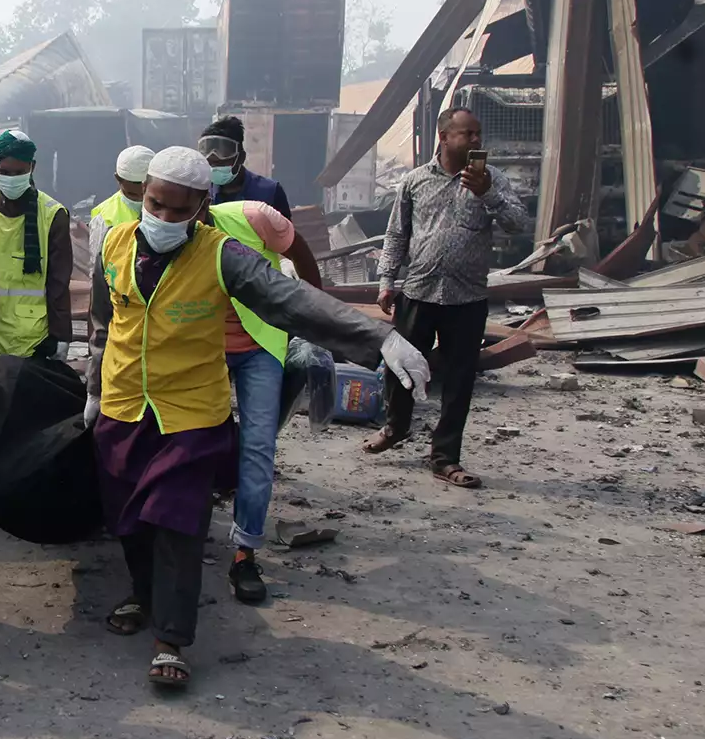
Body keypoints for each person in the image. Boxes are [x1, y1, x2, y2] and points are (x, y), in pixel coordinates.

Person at [87, 146, 429, 690]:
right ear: (143, 195)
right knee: (127, 513)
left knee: (177, 517)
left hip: (191, 411)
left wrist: (378, 336)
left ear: (201, 206)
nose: (163, 217)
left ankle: (170, 638)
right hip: (124, 405)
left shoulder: (223, 255)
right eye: (155, 204)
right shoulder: (113, 242)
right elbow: (105, 320)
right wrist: (93, 386)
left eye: (178, 210)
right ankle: (143, 593)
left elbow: (290, 299)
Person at [367, 106, 529, 488]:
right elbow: (397, 235)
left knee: (458, 381)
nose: (476, 140)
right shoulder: (415, 181)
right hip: (419, 290)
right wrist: (386, 280)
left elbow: (519, 224)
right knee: (399, 366)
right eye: (467, 134)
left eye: (477, 133)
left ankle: (445, 458)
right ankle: (396, 426)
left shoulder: (493, 181)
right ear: (444, 137)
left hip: (467, 297)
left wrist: (488, 194)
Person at [205, 198, 321, 604]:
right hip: (201, 348)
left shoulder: (253, 218)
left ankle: (244, 553)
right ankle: (190, 526)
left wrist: (311, 318)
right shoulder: (159, 231)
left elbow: (301, 252)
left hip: (260, 345)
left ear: (204, 200)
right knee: (196, 439)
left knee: (258, 446)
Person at [0, 129, 73, 366]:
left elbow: (58, 284)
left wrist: (61, 336)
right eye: (4, 172)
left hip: (31, 341)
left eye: (19, 172)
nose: (12, 178)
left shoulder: (53, 215)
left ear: (32, 168)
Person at [201, 111, 292, 216]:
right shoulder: (202, 194)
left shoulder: (270, 192)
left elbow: (285, 231)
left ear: (241, 158)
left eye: (221, 163)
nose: (214, 168)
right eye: (210, 164)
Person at [86, 145, 154, 256]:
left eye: (145, 194)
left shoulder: (175, 205)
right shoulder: (105, 217)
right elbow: (98, 265)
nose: (139, 199)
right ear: (118, 179)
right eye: (131, 194)